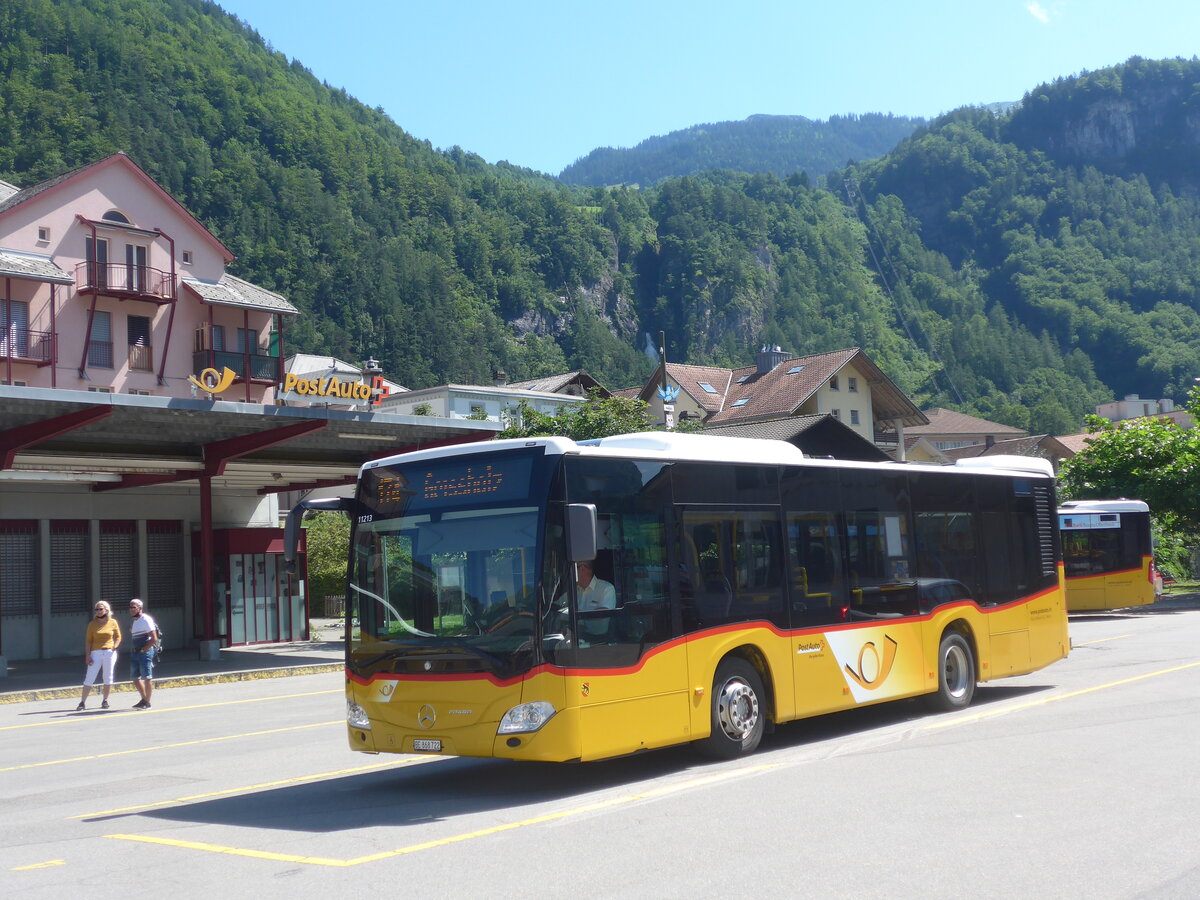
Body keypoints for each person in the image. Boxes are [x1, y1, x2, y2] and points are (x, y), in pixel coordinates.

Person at [78, 600, 122, 711]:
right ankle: (82, 702)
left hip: (109, 652)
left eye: (100, 609)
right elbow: (88, 641)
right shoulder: (92, 624)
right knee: (90, 677)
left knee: (108, 676)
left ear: (106, 610)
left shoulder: (113, 622)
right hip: (96, 652)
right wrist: (88, 656)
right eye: (97, 609)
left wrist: (114, 646)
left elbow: (118, 636)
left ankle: (105, 700)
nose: (98, 611)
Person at [128, 598, 160, 709]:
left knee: (147, 677)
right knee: (135, 678)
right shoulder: (135, 621)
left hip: (144, 652)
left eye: (134, 607)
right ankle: (143, 699)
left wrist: (144, 649)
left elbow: (154, 638)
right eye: (130, 607)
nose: (131, 609)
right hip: (135, 652)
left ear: (140, 608)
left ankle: (147, 702)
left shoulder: (146, 619)